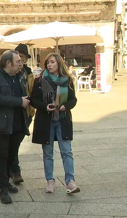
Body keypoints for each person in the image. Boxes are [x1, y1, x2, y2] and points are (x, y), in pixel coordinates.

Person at [30, 53, 80, 194]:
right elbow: (34, 100)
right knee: (48, 153)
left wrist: (66, 106)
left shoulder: (67, 80)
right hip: (46, 121)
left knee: (67, 151)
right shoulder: (40, 80)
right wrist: (45, 106)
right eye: (47, 63)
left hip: (62, 120)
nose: (49, 65)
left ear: (58, 63)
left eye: (52, 62)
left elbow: (73, 99)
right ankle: (50, 180)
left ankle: (70, 181)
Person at [0, 50, 30, 204]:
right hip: (2, 124)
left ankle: (7, 181)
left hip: (18, 123)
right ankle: (3, 186)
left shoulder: (19, 77)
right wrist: (19, 101)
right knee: (2, 155)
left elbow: (25, 95)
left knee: (12, 154)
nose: (21, 63)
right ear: (8, 63)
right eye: (18, 61)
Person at [9, 43, 35, 185]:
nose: (21, 60)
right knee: (12, 143)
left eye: (23, 58)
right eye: (19, 57)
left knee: (16, 143)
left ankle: (11, 169)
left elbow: (33, 92)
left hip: (26, 113)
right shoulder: (9, 73)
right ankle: (14, 170)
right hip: (12, 112)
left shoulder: (29, 73)